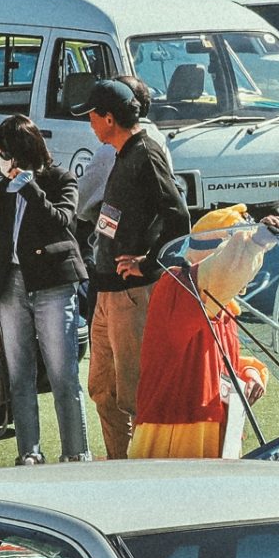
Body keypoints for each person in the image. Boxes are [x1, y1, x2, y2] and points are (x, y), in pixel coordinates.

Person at [81, 79, 186, 460]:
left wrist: (150, 261)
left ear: (109, 118)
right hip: (107, 291)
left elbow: (179, 217)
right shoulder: (123, 153)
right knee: (102, 390)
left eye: (92, 116)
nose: (89, 123)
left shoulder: (146, 153)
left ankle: (144, 478)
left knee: (135, 395)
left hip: (132, 295)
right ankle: (117, 466)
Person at [130, 208, 279, 459]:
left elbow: (216, 363)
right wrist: (255, 243)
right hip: (175, 429)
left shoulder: (219, 302)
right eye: (238, 246)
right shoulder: (178, 286)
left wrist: (250, 373)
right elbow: (221, 271)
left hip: (213, 424)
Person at [0, 113, 88, 465]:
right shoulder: (1, 190)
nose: (1, 161)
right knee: (19, 373)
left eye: (5, 153)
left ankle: (75, 451)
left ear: (23, 151)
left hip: (53, 283)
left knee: (63, 373)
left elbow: (63, 222)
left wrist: (31, 190)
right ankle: (28, 451)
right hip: (11, 284)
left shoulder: (60, 179)